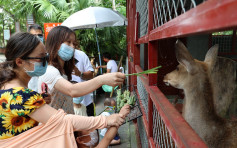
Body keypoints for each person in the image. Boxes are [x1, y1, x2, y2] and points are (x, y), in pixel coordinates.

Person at [0, 32, 129, 148]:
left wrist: (38, 100)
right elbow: (63, 120)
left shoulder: (7, 87)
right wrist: (105, 120)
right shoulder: (21, 94)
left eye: (46, 56)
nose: (46, 61)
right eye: (41, 58)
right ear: (20, 62)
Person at [71, 49, 95, 116]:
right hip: (68, 107)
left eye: (72, 43)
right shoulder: (56, 58)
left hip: (85, 101)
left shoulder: (81, 55)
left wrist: (80, 74)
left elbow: (91, 75)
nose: (71, 45)